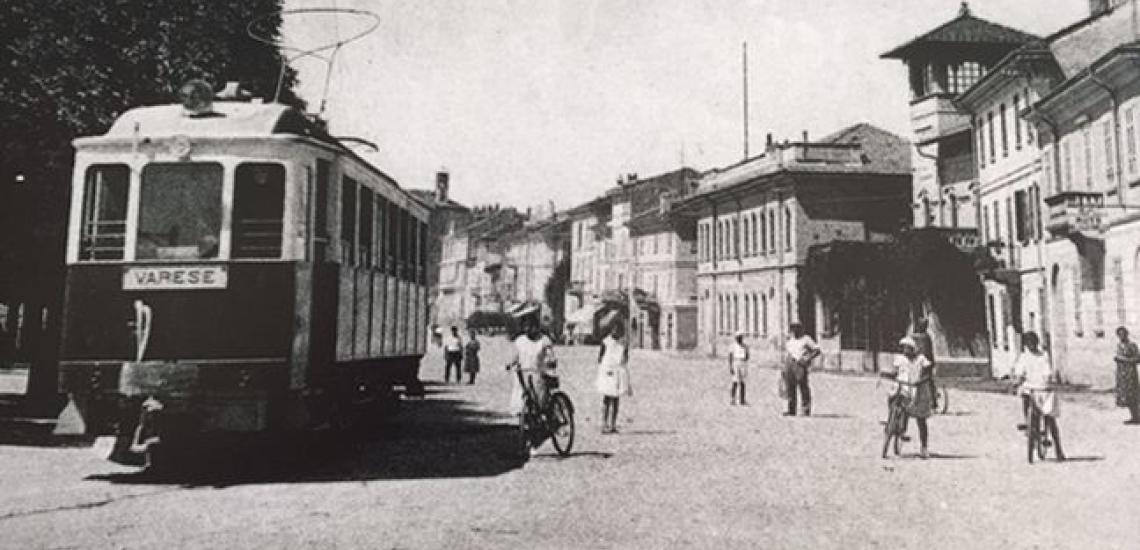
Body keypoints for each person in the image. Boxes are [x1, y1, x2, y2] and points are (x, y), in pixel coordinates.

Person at [507, 303, 559, 455]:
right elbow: (515, 357)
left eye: (532, 326)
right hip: (523, 378)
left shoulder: (544, 340)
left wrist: (550, 361)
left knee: (537, 410)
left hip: (538, 377)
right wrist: (511, 364)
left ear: (537, 326)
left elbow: (551, 356)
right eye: (526, 326)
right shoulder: (520, 341)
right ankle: (527, 442)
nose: (529, 329)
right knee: (523, 411)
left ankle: (535, 439)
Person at [1012, 331, 1065, 460]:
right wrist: (1017, 381)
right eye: (1029, 343)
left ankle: (1058, 449)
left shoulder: (1043, 356)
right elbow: (1020, 372)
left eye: (1033, 343)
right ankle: (1028, 423)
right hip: (1030, 388)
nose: (1031, 346)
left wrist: (1048, 378)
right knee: (1025, 397)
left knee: (1050, 418)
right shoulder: (1024, 357)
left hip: (1042, 387)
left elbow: (1047, 371)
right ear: (1026, 345)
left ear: (1036, 343)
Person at [890, 336, 934, 459]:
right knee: (898, 404)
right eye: (904, 347)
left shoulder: (921, 360)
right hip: (904, 388)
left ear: (913, 349)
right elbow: (895, 372)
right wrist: (890, 375)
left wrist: (920, 380)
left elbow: (928, 373)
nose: (905, 350)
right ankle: (899, 429)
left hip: (919, 391)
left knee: (921, 420)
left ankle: (924, 447)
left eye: (908, 348)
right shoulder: (900, 359)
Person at [596, 319, 631, 433]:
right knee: (607, 398)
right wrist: (607, 367)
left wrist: (624, 356)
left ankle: (613, 424)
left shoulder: (623, 343)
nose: (615, 332)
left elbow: (625, 358)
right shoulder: (605, 342)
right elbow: (600, 358)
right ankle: (603, 423)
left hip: (618, 372)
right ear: (611, 330)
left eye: (618, 330)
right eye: (614, 329)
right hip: (607, 372)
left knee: (616, 399)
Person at [783, 323, 820, 416]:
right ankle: (791, 409)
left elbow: (817, 350)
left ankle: (805, 409)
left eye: (796, 329)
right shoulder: (790, 340)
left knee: (803, 386)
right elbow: (788, 352)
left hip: (800, 364)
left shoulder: (806, 339)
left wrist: (807, 358)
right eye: (792, 330)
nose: (794, 332)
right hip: (789, 363)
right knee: (790, 387)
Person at [1113, 326, 1140, 424]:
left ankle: (1137, 416)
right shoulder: (1119, 346)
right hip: (1122, 375)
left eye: (1123, 334)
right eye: (1119, 335)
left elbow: (1138, 359)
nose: (1121, 336)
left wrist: (1124, 360)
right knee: (1126, 397)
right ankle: (1134, 417)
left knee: (1133, 396)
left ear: (1127, 334)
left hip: (1131, 374)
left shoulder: (1132, 345)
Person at [911, 317, 938, 410]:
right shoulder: (927, 337)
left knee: (917, 380)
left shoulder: (918, 337)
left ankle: (916, 401)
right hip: (928, 362)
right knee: (929, 381)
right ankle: (933, 402)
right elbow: (930, 351)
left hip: (921, 362)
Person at [728, 332, 750, 406]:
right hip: (736, 362)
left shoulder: (745, 346)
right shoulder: (733, 346)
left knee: (743, 382)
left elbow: (747, 356)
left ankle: (742, 400)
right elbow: (730, 356)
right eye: (738, 337)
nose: (739, 338)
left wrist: (745, 360)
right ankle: (732, 399)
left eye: (741, 337)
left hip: (743, 363)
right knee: (735, 382)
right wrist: (731, 366)